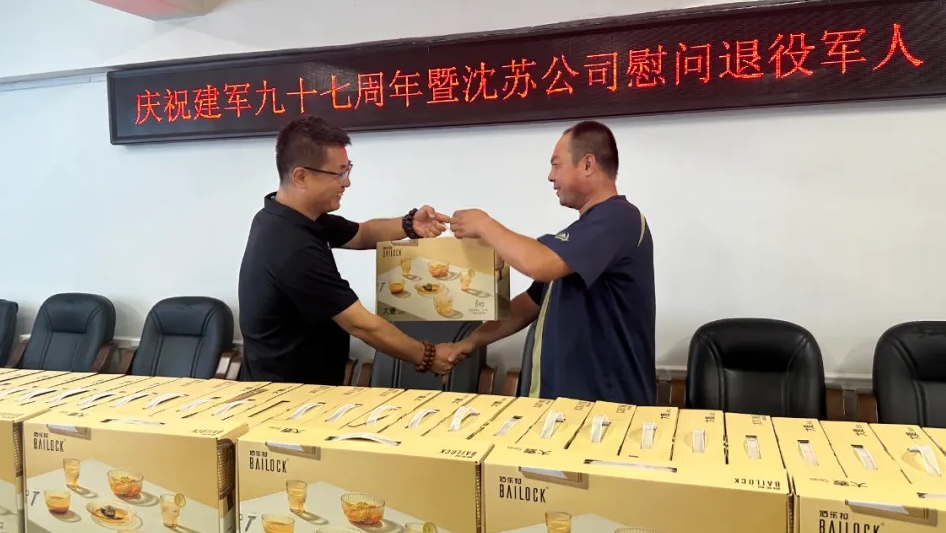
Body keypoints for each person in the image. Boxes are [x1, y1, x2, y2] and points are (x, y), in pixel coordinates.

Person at [238, 115, 460, 384]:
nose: (347, 182)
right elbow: (360, 323)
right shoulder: (291, 245)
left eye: (348, 170)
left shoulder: (288, 216)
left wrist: (410, 224)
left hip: (307, 386)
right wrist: (428, 356)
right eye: (338, 174)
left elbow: (362, 234)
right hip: (286, 394)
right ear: (301, 176)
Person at [449, 120, 656, 404]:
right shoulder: (583, 236)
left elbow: (538, 263)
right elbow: (528, 305)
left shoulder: (619, 218)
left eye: (556, 165)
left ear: (587, 164)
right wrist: (469, 342)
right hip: (562, 408)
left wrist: (484, 224)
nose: (550, 176)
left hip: (604, 410)